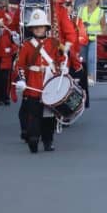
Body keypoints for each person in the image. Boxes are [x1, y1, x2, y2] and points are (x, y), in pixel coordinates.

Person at [13, 9, 65, 153]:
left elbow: (60, 60)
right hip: (33, 84)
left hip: (49, 83)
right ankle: (33, 138)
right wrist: (22, 79)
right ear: (31, 29)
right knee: (34, 114)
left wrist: (63, 67)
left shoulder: (54, 43)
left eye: (41, 26)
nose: (38, 29)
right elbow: (20, 65)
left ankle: (48, 140)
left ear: (46, 28)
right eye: (35, 27)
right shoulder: (27, 45)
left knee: (49, 116)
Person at [78, 0, 107, 84]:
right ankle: (83, 76)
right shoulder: (82, 10)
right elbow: (77, 23)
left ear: (97, 1)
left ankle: (90, 77)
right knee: (82, 58)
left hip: (94, 39)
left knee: (91, 58)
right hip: (82, 38)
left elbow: (104, 27)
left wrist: (104, 38)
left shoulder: (100, 12)